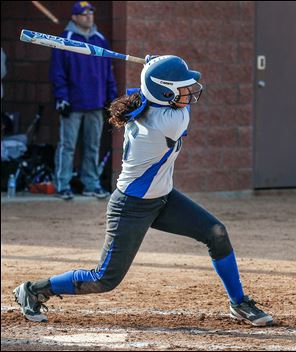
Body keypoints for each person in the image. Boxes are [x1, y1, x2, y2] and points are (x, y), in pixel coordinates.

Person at [13, 55, 273, 327]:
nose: (188, 93)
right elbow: (174, 108)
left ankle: (239, 303)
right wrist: (154, 69)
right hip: (131, 206)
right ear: (164, 92)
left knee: (215, 233)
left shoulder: (147, 104)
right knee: (104, 278)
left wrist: (154, 68)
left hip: (163, 199)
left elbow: (149, 90)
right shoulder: (168, 121)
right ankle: (33, 290)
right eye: (181, 88)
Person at [49, 1, 117, 200]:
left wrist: (111, 100)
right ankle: (62, 184)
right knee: (67, 146)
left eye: (91, 13)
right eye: (84, 13)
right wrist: (62, 98)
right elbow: (57, 72)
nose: (89, 16)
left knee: (92, 146)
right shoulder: (66, 39)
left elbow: (108, 73)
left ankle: (91, 184)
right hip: (72, 104)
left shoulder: (100, 40)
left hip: (96, 103)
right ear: (74, 17)